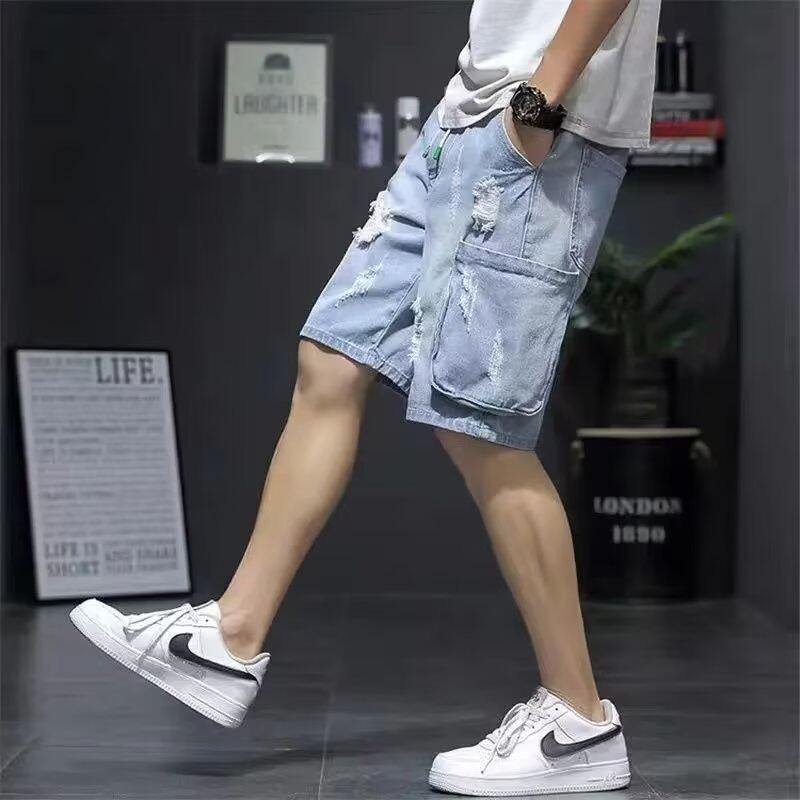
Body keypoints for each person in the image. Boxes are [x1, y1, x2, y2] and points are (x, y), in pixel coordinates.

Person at [69, 0, 660, 794]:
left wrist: (540, 102)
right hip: (462, 121)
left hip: (545, 130)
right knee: (332, 358)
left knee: (478, 423)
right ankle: (230, 636)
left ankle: (579, 720)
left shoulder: (541, 113)